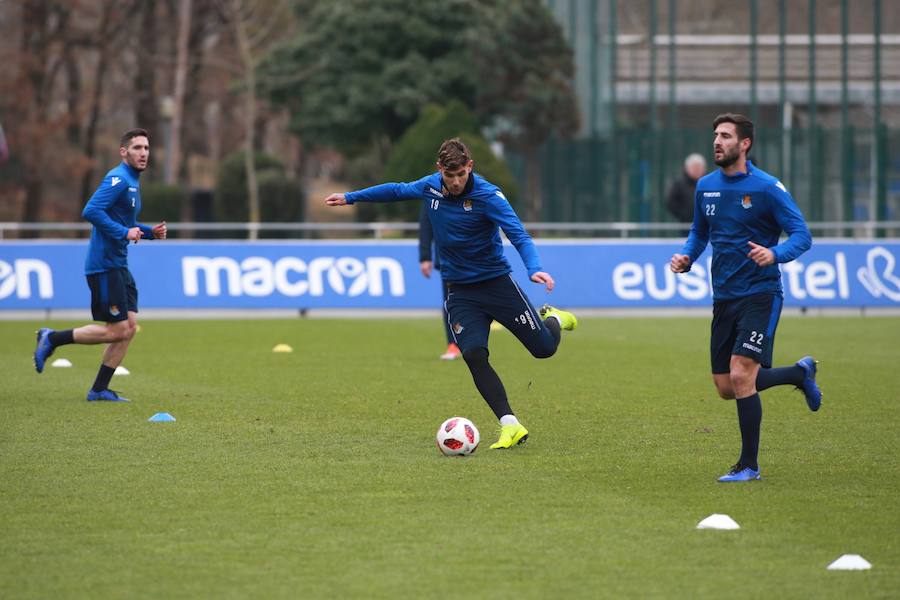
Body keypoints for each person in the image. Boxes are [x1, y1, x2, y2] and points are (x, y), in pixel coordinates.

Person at [326, 138, 577, 449]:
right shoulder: (431, 187)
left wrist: (533, 268)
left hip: (496, 284)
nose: (456, 182)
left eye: (461, 174)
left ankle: (552, 317)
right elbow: (397, 190)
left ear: (469, 167)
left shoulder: (489, 196)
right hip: (459, 291)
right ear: (440, 170)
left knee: (543, 349)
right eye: (449, 175)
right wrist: (351, 197)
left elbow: (519, 235)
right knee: (473, 354)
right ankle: (509, 424)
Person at [670, 113, 822, 482]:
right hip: (724, 296)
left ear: (744, 144)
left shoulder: (768, 188)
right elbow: (699, 232)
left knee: (741, 375)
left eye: (725, 136)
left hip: (761, 294)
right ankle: (799, 373)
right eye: (715, 136)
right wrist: (688, 256)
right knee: (727, 387)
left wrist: (775, 254)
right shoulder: (705, 186)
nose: (717, 142)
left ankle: (749, 466)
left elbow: (802, 235)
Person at [33, 128, 167, 401]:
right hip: (104, 266)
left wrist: (149, 232)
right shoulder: (118, 178)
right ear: (123, 152)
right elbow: (91, 211)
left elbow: (125, 224)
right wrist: (124, 233)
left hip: (119, 263)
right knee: (117, 329)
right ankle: (52, 338)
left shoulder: (131, 181)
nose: (143, 153)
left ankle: (99, 389)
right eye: (137, 148)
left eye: (146, 148)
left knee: (128, 328)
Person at [418, 203, 461, 360]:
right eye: (449, 175)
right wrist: (425, 257)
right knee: (451, 303)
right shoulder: (432, 190)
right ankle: (453, 344)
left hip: (477, 259)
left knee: (478, 301)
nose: (455, 180)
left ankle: (474, 342)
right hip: (447, 260)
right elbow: (426, 225)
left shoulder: (479, 187)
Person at [666, 153, 707, 224]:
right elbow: (671, 203)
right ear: (687, 168)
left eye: (699, 167)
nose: (696, 170)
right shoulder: (679, 185)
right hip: (686, 225)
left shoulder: (710, 184)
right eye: (694, 167)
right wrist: (684, 215)